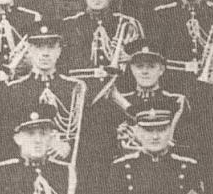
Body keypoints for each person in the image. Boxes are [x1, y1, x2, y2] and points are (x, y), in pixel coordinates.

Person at [81, 44, 194, 178]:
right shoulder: (113, 103)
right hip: (127, 177)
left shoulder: (176, 102)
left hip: (166, 174)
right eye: (139, 66)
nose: (144, 72)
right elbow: (104, 148)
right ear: (131, 69)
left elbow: (180, 145)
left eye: (151, 66)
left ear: (162, 69)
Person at [3, 23, 86, 164]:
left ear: (59, 50)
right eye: (39, 47)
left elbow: (86, 133)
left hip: (67, 167)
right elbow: (8, 136)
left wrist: (68, 146)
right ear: (29, 50)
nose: (45, 53)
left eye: (51, 47)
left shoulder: (75, 88)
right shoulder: (15, 90)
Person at [61, 0, 145, 97]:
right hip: (83, 95)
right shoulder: (69, 25)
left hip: (120, 94)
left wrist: (130, 59)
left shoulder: (128, 24)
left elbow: (146, 65)